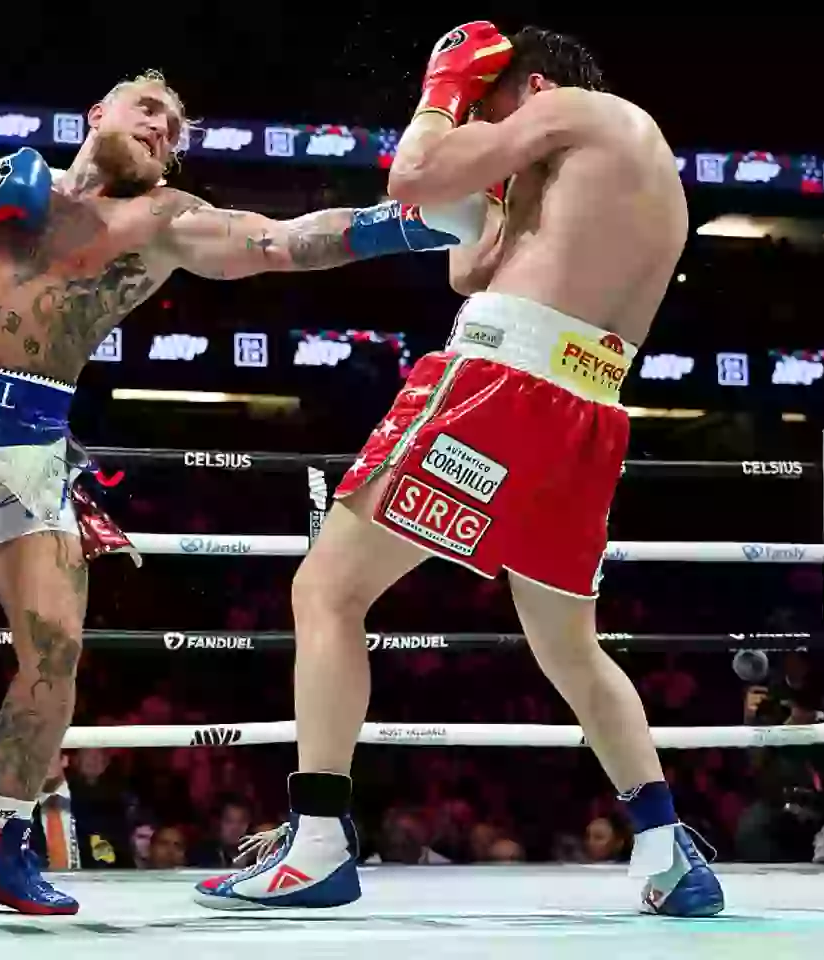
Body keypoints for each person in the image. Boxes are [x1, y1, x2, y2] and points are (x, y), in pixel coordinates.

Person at [0, 69, 491, 916]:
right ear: (96, 113)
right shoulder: (10, 187)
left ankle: (10, 839)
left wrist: (411, 224)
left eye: (174, 129)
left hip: (29, 439)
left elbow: (280, 241)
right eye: (149, 113)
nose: (162, 131)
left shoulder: (164, 218)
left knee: (55, 646)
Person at [195, 24, 723, 917]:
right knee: (568, 645)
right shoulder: (624, 171)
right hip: (587, 409)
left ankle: (317, 842)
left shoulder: (583, 113)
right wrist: (498, 193)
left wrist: (442, 93)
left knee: (326, 589)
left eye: (491, 106)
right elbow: (468, 269)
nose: (478, 123)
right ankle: (668, 850)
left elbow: (412, 172)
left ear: (536, 89)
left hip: (499, 383)